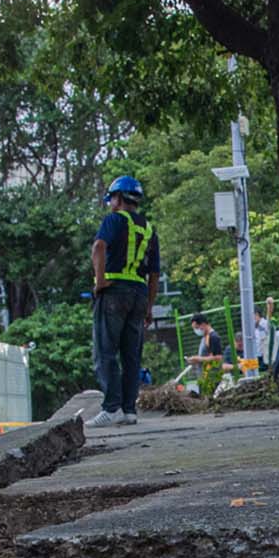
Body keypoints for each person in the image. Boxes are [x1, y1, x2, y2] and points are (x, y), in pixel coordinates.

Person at [89, 175, 159, 428]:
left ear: (118, 198)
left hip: (114, 291)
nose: (111, 204)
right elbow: (154, 273)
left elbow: (99, 247)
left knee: (105, 352)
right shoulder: (149, 229)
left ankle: (111, 408)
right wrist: (149, 307)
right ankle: (129, 410)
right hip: (139, 295)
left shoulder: (114, 220)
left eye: (112, 199)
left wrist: (99, 281)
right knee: (132, 355)